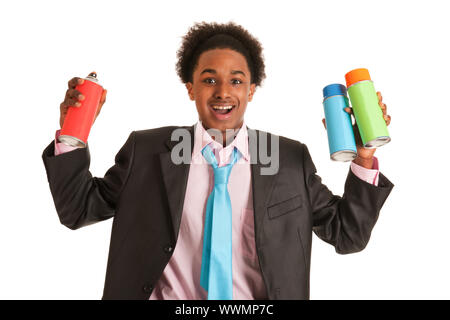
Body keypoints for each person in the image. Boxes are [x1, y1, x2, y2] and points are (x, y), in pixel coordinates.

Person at [42, 21, 394, 300]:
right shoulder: (147, 151)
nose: (223, 92)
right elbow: (78, 210)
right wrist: (73, 135)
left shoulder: (288, 159)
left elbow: (347, 235)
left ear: (251, 89)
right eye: (209, 80)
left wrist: (364, 157)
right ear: (190, 88)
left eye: (236, 81)